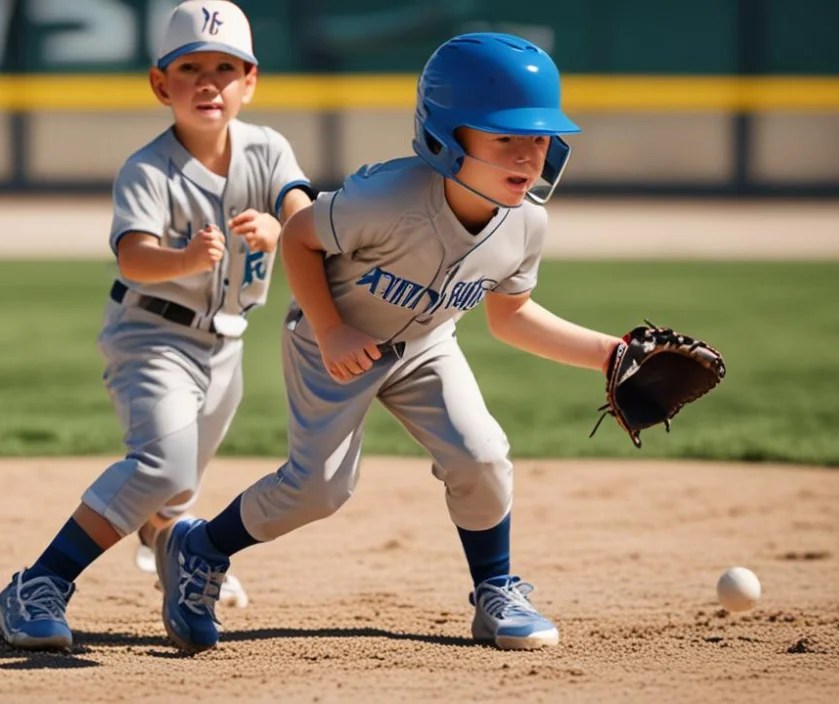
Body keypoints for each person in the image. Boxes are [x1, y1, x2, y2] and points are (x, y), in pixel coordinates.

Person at [154, 32, 625, 654]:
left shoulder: (525, 223)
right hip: (336, 339)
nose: (527, 155)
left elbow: (510, 317)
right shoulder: (387, 199)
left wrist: (609, 354)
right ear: (446, 137)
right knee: (317, 490)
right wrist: (330, 328)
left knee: (482, 454)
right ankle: (201, 547)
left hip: (427, 343)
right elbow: (298, 236)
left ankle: (496, 591)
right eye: (503, 137)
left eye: (539, 137)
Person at [0, 0, 313, 650]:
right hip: (151, 336)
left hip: (226, 342)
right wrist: (187, 259)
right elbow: (133, 257)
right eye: (189, 67)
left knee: (177, 483)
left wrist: (283, 227)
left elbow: (304, 212)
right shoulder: (148, 168)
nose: (207, 81)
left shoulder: (268, 147)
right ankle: (39, 583)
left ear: (249, 82)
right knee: (164, 466)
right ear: (160, 83)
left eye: (225, 67)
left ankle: (175, 553)